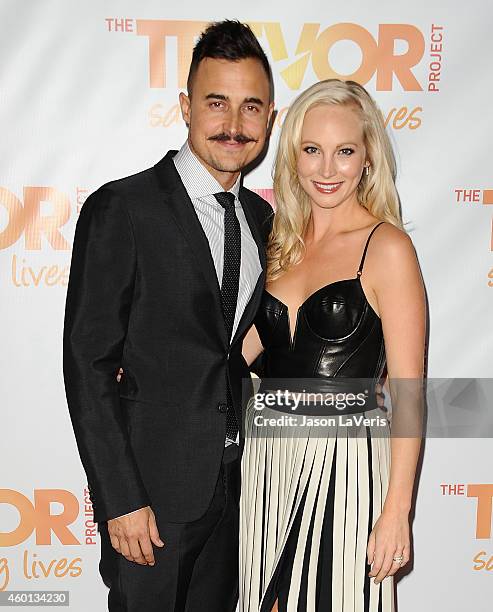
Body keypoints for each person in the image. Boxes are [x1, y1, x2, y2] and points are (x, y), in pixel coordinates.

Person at [63, 20, 274, 611]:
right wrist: (120, 498)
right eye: (216, 103)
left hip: (236, 493)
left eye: (250, 107)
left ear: (269, 119)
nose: (234, 125)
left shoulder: (262, 220)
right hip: (150, 499)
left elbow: (246, 346)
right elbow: (87, 365)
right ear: (186, 107)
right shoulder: (123, 208)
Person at [240, 79, 426, 611]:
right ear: (293, 156)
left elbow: (409, 391)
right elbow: (233, 353)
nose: (327, 170)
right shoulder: (276, 244)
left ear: (367, 157)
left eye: (344, 151)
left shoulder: (387, 248)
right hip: (267, 466)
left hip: (346, 470)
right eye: (312, 151)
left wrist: (397, 512)